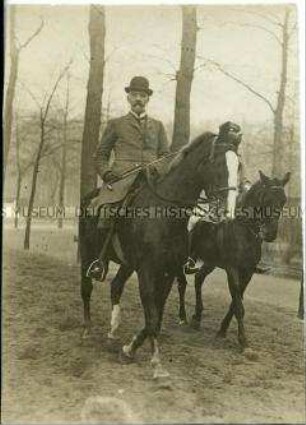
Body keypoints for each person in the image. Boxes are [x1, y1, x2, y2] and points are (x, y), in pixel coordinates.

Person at [87, 76, 170, 280]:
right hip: (121, 180)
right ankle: (99, 261)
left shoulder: (158, 126)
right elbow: (101, 155)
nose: (138, 99)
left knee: (174, 213)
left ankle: (176, 259)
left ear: (148, 99)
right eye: (135, 95)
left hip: (151, 181)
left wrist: (156, 169)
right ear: (128, 98)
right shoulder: (116, 124)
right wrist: (107, 173)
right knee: (105, 211)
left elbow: (165, 156)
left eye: (143, 95)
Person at [184, 121, 251, 274]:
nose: (234, 140)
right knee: (194, 221)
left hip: (234, 199)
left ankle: (250, 257)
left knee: (249, 223)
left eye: (236, 135)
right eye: (231, 134)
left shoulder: (238, 157)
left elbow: (244, 178)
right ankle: (191, 258)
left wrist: (246, 187)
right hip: (212, 198)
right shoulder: (212, 156)